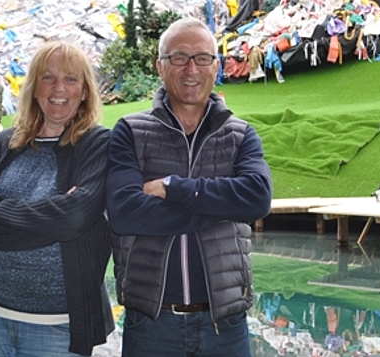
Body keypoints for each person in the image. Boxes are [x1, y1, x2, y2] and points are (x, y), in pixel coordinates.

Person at [106, 17, 273, 357]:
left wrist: (175, 188)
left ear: (217, 65)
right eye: (178, 58)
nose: (191, 69)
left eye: (202, 58)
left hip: (223, 326)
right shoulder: (130, 132)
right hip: (152, 325)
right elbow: (124, 214)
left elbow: (257, 198)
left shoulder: (240, 135)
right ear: (160, 66)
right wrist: (220, 206)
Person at [0, 41, 114, 357]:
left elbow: (74, 219)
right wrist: (50, 214)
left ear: (84, 91)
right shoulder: (2, 145)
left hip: (58, 328)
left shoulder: (97, 145)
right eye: (47, 77)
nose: (58, 88)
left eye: (71, 79)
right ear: (34, 88)